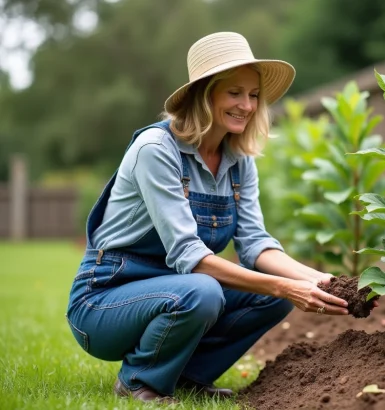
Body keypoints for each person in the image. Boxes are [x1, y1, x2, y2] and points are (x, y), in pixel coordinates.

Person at [65, 32, 356, 405]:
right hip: (104, 303)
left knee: (271, 294)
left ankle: (187, 377)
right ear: (205, 94)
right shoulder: (156, 150)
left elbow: (254, 243)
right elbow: (189, 256)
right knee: (208, 290)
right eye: (235, 93)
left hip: (175, 289)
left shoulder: (239, 161)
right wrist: (284, 286)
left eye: (253, 95)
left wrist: (322, 281)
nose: (247, 106)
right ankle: (140, 380)